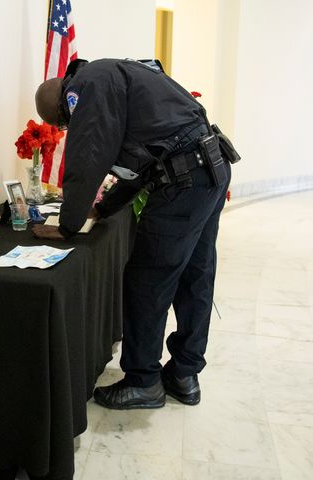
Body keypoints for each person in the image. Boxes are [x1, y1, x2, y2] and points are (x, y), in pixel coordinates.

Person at [32, 58, 232, 408]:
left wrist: (67, 225)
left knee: (146, 280)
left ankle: (143, 382)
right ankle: (185, 374)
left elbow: (88, 155)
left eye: (62, 124)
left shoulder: (86, 88)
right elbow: (141, 167)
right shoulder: (114, 74)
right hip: (208, 170)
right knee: (195, 275)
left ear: (64, 104)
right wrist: (102, 209)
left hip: (184, 182)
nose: (67, 129)